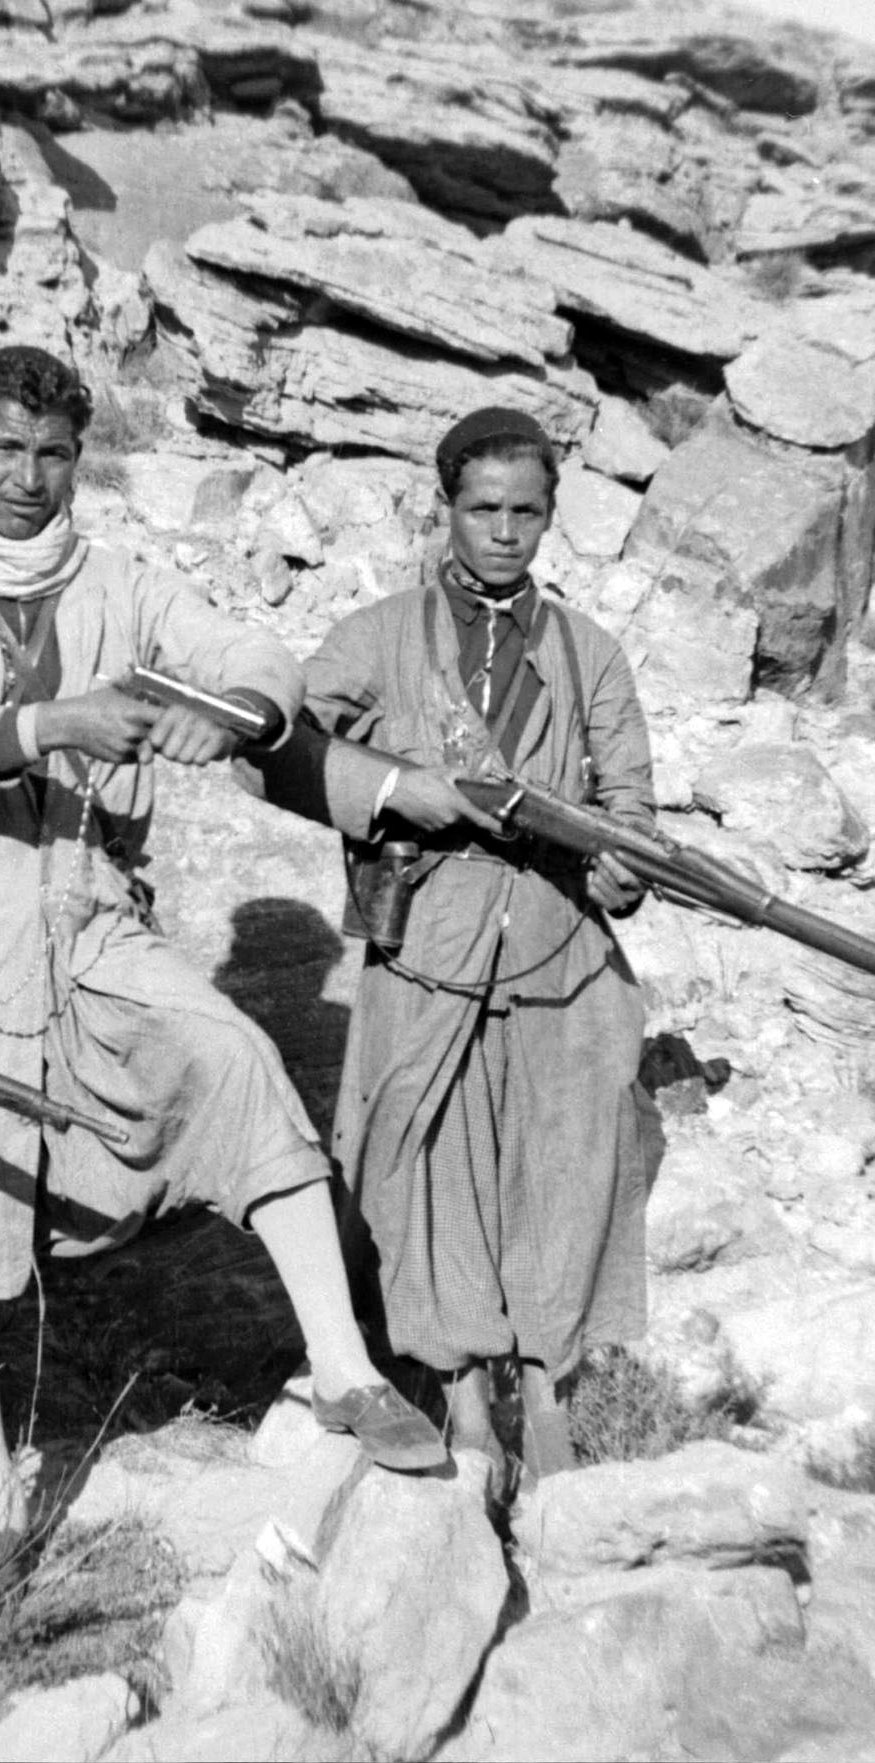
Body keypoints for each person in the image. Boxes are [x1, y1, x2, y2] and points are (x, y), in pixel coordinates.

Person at [0, 345, 447, 1541]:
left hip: (91, 911)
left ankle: (340, 1369)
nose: (27, 476)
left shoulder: (116, 581)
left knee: (233, 1062)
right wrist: (48, 720)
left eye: (53, 452)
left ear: (80, 459)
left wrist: (224, 713)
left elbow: (254, 659)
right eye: (5, 448)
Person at [246, 405, 655, 1485]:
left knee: (565, 1167)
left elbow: (631, 814)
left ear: (550, 516)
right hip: (425, 945)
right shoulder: (379, 636)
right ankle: (464, 1394)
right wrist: (393, 788)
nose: (505, 532)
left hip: (558, 956)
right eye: (483, 509)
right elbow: (273, 749)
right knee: (422, 1165)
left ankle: (543, 1390)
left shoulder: (588, 654)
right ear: (446, 510)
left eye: (526, 510)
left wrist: (623, 870)